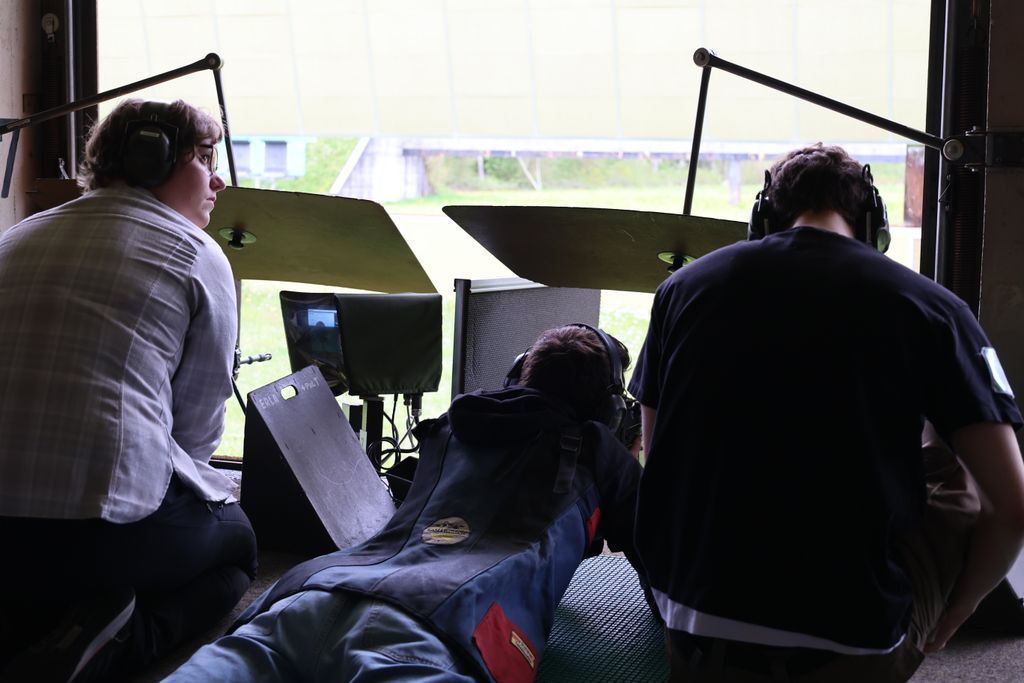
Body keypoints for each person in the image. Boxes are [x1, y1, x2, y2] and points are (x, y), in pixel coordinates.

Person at [629, 143, 1024, 681]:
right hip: (854, 637)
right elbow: (1012, 506)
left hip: (692, 623)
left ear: (764, 218)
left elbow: (658, 458)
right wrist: (961, 608)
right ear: (872, 224)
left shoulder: (679, 290)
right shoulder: (933, 308)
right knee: (951, 460)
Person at [165, 323, 649, 682]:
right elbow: (664, 570)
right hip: (433, 633)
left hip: (309, 600)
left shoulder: (452, 428)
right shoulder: (598, 452)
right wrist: (622, 467)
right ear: (608, 411)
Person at [0, 98, 257, 683]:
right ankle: (110, 643)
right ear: (151, 156)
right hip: (97, 537)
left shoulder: (17, 235)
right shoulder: (195, 252)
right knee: (238, 547)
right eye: (205, 158)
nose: (217, 180)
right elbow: (194, 432)